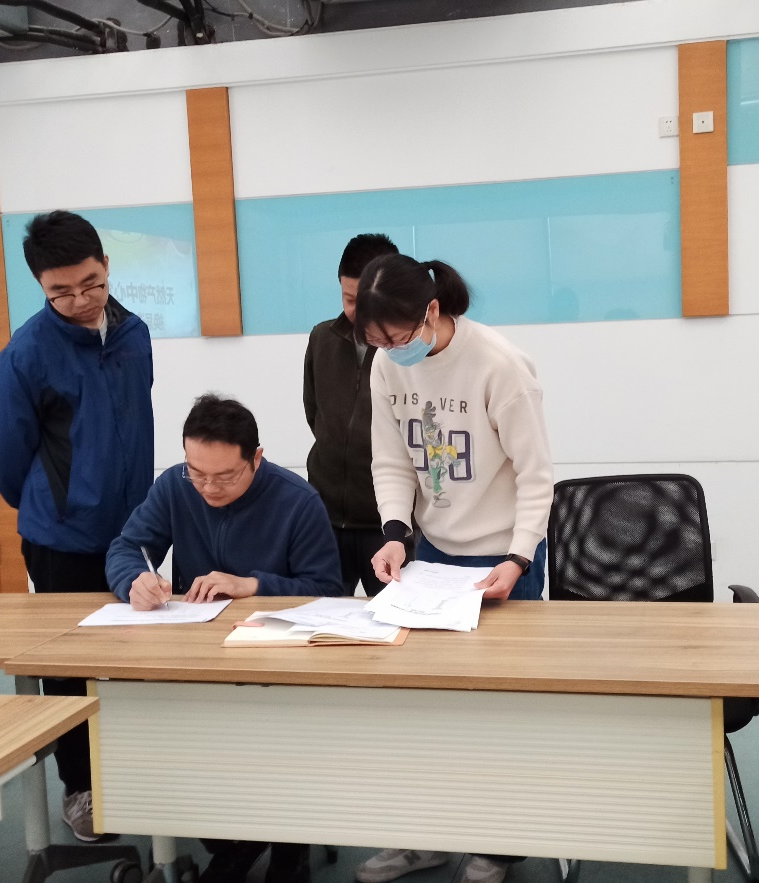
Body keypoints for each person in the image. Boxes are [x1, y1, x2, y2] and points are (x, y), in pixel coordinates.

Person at [352, 253, 553, 883]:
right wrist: (395, 532)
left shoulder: (499, 365)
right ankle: (427, 837)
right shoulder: (387, 364)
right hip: (434, 554)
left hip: (503, 555)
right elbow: (392, 460)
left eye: (397, 336)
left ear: (432, 311)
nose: (390, 351)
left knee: (500, 712)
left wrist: (519, 557)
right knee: (426, 707)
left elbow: (536, 476)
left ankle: (497, 844)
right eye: (377, 341)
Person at [107, 394, 341, 883]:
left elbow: (327, 591)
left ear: (256, 457)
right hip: (199, 656)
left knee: (276, 742)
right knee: (182, 744)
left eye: (226, 476)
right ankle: (232, 840)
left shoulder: (298, 501)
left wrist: (253, 585)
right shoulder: (176, 486)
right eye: (197, 473)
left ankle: (287, 847)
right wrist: (134, 580)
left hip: (280, 665)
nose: (209, 488)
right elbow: (127, 546)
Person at [0, 210, 153, 842]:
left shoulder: (134, 333)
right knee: (69, 667)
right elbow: (5, 459)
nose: (80, 301)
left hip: (132, 532)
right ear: (40, 285)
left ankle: (131, 772)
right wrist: (57, 506)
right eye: (61, 292)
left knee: (132, 658)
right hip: (62, 539)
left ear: (106, 265)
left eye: (90, 284)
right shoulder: (27, 354)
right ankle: (79, 787)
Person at [304, 233, 404, 596]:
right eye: (348, 299)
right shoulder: (323, 338)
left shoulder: (407, 351)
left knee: (398, 618)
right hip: (327, 518)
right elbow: (315, 413)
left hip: (389, 525)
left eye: (365, 302)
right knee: (322, 616)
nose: (355, 311)